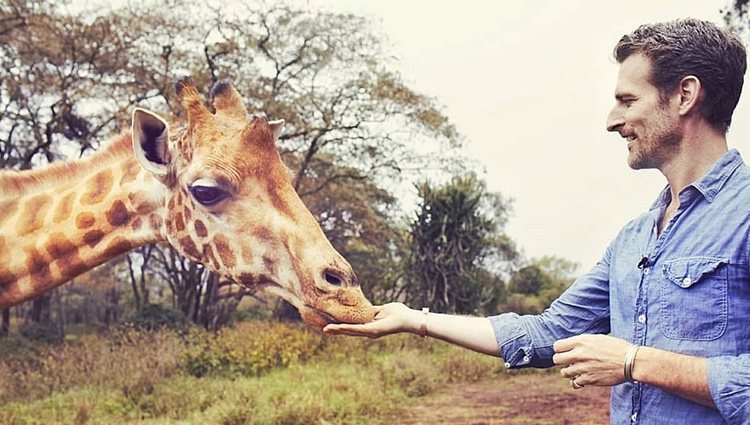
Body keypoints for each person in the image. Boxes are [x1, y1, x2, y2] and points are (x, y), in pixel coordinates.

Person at [325, 18, 750, 425]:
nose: (611, 121)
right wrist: (414, 320)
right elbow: (547, 331)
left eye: (627, 100)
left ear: (685, 96)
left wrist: (632, 361)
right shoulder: (635, 239)